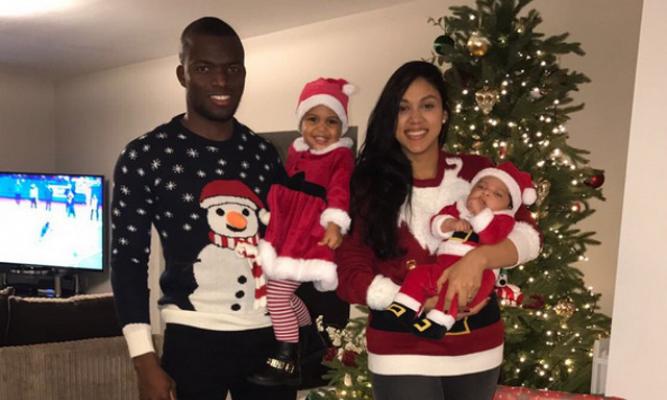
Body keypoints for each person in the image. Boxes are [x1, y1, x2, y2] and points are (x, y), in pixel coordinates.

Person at [110, 17, 296, 400]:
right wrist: (144, 359)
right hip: (192, 337)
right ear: (183, 74)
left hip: (267, 335)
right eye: (204, 68)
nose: (221, 81)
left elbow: (285, 242)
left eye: (233, 69)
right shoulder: (145, 155)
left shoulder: (263, 154)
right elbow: (128, 261)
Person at [335, 61, 541, 400]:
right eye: (403, 108)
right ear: (390, 118)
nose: (415, 119)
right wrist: (413, 299)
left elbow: (528, 236)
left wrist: (477, 260)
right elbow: (349, 269)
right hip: (400, 347)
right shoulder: (366, 185)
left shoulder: (478, 172)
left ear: (444, 114)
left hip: (477, 346)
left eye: (427, 106)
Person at [249, 78, 355, 386]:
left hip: (310, 234)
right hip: (288, 233)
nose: (321, 128)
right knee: (285, 294)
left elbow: (340, 190)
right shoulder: (297, 153)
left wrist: (334, 223)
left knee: (276, 295)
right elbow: (287, 191)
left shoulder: (340, 156)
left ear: (342, 127)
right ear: (301, 123)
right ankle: (310, 344)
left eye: (331, 121)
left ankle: (286, 358)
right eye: (313, 119)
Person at [375, 161, 536, 339]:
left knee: (453, 291)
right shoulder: (460, 208)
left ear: (508, 206)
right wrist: (449, 223)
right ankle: (404, 307)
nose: (486, 192)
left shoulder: (504, 219)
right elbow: (436, 223)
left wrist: (480, 213)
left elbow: (491, 237)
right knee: (418, 275)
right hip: (442, 268)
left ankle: (439, 321)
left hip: (477, 279)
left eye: (497, 194)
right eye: (481, 186)